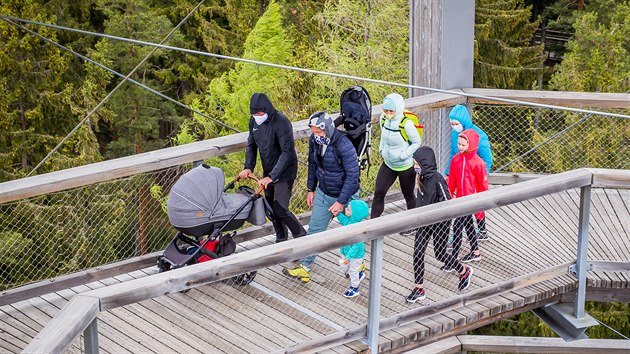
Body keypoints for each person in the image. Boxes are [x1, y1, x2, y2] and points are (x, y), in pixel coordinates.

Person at [283, 111, 360, 283]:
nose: (316, 136)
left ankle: (355, 266)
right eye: (313, 132)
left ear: (328, 129)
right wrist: (311, 188)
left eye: (319, 132)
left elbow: (353, 175)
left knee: (351, 234)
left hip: (345, 196)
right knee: (314, 232)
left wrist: (341, 202)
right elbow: (313, 164)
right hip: (324, 192)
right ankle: (305, 268)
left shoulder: (344, 145)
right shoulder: (315, 142)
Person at [406, 146, 473, 303]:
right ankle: (419, 288)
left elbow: (447, 201)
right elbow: (420, 199)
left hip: (440, 223)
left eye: (417, 163)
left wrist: (438, 217)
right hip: (424, 222)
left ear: (425, 163)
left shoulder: (437, 179)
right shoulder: (420, 178)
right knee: (417, 253)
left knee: (440, 254)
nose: (415, 166)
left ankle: (463, 270)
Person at [240, 93, 306, 243]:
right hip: (268, 170)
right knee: (270, 208)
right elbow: (251, 145)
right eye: (254, 113)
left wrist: (272, 176)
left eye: (259, 113)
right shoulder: (254, 122)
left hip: (284, 172)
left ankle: (301, 236)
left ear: (267, 109)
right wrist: (248, 167)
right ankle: (281, 238)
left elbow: (287, 152)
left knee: (280, 208)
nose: (257, 116)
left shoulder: (281, 122)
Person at [444, 104, 493, 240]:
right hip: (461, 173)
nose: (454, 126)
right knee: (463, 203)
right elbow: (453, 154)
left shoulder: (478, 136)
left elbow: (487, 159)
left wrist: (482, 177)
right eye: (452, 124)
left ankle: (481, 230)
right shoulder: (455, 135)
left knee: (477, 203)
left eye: (456, 123)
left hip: (474, 175)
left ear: (463, 121)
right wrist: (448, 173)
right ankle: (474, 232)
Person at [372, 93, 422, 219]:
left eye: (391, 110)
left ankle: (413, 224)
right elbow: (383, 136)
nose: (388, 113)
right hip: (388, 163)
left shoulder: (406, 124)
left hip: (405, 165)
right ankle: (372, 225)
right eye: (386, 110)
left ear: (398, 109)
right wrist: (381, 149)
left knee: (408, 195)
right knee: (379, 193)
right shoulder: (383, 118)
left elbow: (417, 142)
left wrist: (403, 155)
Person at [448, 129, 489, 264]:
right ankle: (475, 251)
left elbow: (483, 187)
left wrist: (480, 209)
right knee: (469, 225)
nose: (460, 147)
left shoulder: (479, 164)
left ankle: (453, 261)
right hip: (460, 199)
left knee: (457, 228)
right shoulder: (455, 160)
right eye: (459, 144)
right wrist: (448, 197)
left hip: (471, 201)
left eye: (463, 145)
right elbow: (452, 181)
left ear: (471, 144)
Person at [337, 199, 369, 298]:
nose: (346, 209)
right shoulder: (350, 221)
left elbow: (356, 246)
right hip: (345, 251)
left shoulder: (357, 229)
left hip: (356, 256)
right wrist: (337, 214)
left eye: (348, 209)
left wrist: (348, 257)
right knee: (344, 267)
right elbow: (344, 220)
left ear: (354, 214)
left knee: (352, 271)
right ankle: (359, 275)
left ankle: (355, 288)